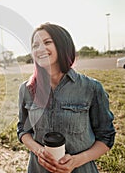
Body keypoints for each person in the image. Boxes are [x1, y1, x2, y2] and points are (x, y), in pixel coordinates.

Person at [17, 23, 115, 173]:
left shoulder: (92, 88)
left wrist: (76, 161)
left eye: (47, 42)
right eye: (35, 45)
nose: (40, 49)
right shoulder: (26, 89)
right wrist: (39, 151)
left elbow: (106, 137)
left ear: (63, 45)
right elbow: (23, 130)